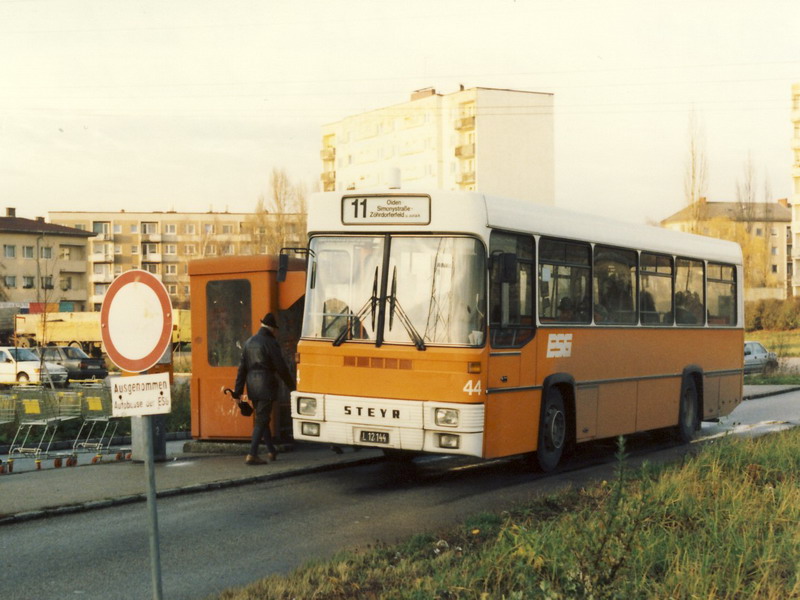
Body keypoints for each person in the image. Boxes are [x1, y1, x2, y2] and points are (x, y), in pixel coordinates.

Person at [232, 312, 296, 465]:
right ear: (272, 329)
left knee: (262, 418)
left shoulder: (249, 342)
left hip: (252, 386)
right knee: (262, 419)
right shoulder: (270, 342)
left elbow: (242, 369)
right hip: (266, 385)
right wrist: (292, 387)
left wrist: (238, 392)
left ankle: (271, 451)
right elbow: (281, 367)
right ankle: (252, 454)